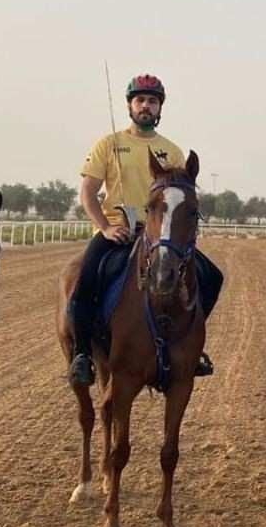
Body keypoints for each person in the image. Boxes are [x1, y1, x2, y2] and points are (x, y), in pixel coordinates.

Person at [68, 74, 223, 385]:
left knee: (212, 277)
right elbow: (87, 193)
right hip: (118, 232)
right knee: (83, 283)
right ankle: (83, 354)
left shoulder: (172, 151)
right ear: (130, 106)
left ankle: (192, 349)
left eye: (152, 101)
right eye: (140, 100)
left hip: (160, 235)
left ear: (160, 108)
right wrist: (105, 228)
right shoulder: (108, 145)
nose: (146, 106)